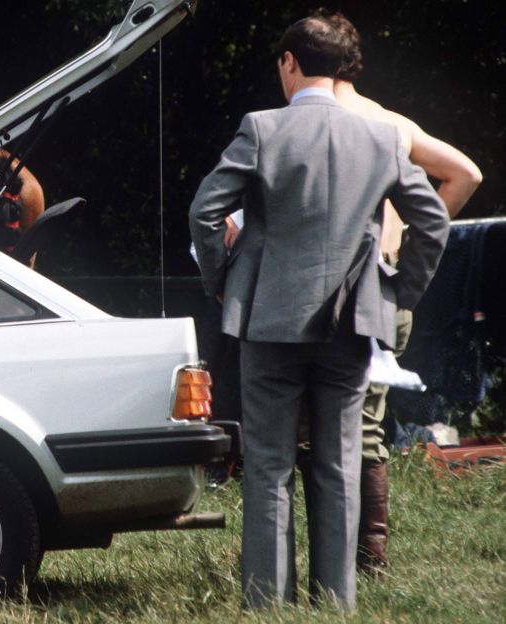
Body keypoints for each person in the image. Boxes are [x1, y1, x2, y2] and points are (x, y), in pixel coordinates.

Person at [189, 17, 450, 611]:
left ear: (288, 63)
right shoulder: (382, 138)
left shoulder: (261, 128)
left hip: (268, 322)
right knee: (338, 463)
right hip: (351, 324)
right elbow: (432, 223)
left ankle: (266, 603)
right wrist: (398, 292)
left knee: (269, 467)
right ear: (342, 68)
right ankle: (337, 603)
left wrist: (223, 282)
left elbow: (205, 212)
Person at [318, 10, 483, 575]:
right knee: (367, 426)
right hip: (387, 288)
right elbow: (465, 174)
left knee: (312, 427)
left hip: (327, 293)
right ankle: (371, 554)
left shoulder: (312, 119)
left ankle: (340, 557)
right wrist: (408, 240)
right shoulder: (391, 121)